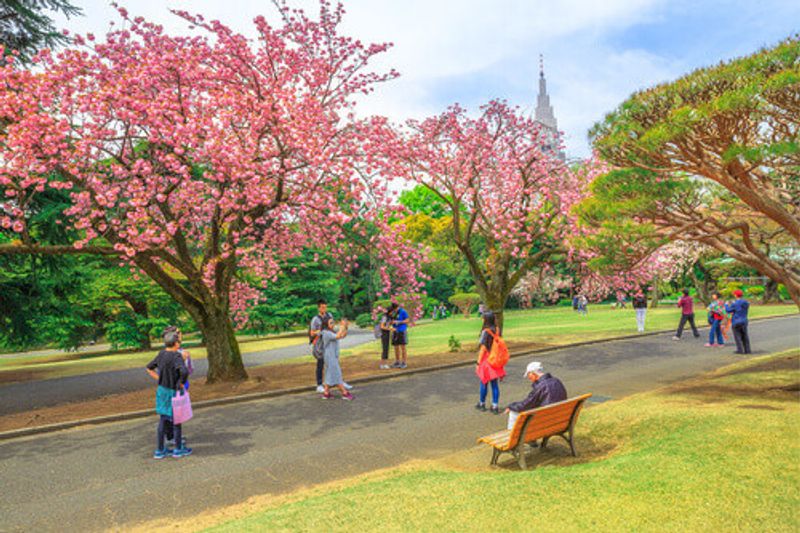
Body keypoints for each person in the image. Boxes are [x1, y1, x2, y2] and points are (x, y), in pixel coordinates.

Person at [146, 331, 192, 459]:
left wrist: (159, 378)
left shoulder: (161, 354)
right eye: (179, 342)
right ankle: (178, 449)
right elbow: (184, 371)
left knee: (163, 419)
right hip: (173, 391)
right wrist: (181, 383)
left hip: (162, 391)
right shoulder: (176, 356)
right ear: (175, 343)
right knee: (177, 420)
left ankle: (160, 450)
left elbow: (149, 367)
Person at [505, 362, 567, 431]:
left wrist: (511, 406)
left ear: (533, 373)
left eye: (528, 374)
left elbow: (526, 404)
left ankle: (511, 438)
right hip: (560, 418)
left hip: (546, 421)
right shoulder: (557, 381)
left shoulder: (541, 386)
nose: (528, 378)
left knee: (513, 413)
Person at [309, 300, 353, 392]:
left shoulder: (329, 315)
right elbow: (312, 333)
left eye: (325, 307)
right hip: (321, 344)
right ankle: (320, 384)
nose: (324, 309)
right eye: (322, 307)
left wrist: (343, 327)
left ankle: (338, 382)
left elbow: (332, 327)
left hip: (329, 341)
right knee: (321, 363)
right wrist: (320, 332)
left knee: (334, 364)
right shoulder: (315, 319)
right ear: (318, 308)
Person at [474, 311, 506, 414]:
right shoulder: (497, 330)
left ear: (486, 319)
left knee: (484, 382)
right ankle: (495, 405)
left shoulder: (486, 332)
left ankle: (482, 403)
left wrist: (478, 363)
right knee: (494, 385)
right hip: (495, 359)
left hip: (486, 360)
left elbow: (483, 349)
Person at [319, 317, 354, 400]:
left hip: (333, 356)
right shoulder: (325, 333)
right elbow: (338, 336)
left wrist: (345, 327)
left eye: (333, 322)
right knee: (336, 373)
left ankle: (326, 393)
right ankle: (344, 393)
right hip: (329, 356)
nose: (333, 324)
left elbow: (342, 335)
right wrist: (342, 326)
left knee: (330, 373)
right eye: (330, 323)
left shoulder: (331, 332)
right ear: (325, 324)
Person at [726, 289, 751, 354]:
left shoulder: (735, 303)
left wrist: (726, 305)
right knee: (745, 336)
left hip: (736, 321)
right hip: (744, 320)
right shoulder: (746, 302)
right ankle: (747, 350)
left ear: (735, 295)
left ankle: (740, 350)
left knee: (737, 336)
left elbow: (728, 310)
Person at [390, 302, 410, 369]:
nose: (395, 310)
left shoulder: (403, 311)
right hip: (395, 330)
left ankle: (404, 362)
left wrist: (399, 322)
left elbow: (407, 320)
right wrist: (391, 322)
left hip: (402, 330)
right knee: (396, 347)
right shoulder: (392, 312)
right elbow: (390, 320)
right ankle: (397, 361)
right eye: (393, 309)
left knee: (403, 347)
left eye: (395, 309)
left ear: (398, 307)